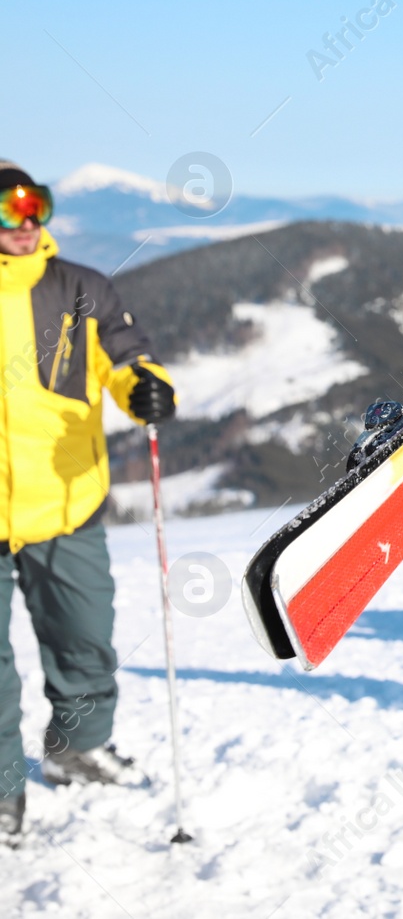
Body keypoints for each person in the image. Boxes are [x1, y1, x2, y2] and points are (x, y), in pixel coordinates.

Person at [0, 161, 177, 846]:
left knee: (82, 637)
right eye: (11, 208)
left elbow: (127, 354)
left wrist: (146, 387)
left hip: (65, 498)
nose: (27, 221)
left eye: (35, 205)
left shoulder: (80, 287)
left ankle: (76, 746)